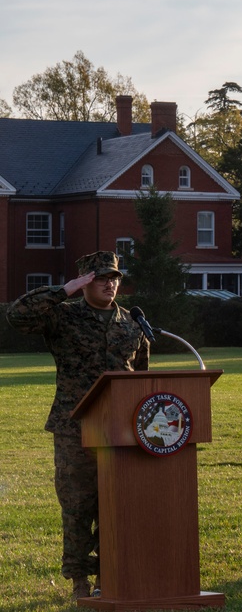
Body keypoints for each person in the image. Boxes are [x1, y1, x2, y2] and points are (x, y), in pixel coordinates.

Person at [6, 251, 150, 601]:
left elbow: (143, 377)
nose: (110, 284)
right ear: (85, 280)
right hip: (75, 427)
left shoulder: (132, 322)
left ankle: (110, 575)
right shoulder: (63, 317)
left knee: (115, 505)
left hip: (121, 429)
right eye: (101, 277)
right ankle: (79, 581)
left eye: (114, 277)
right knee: (77, 505)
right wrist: (64, 290)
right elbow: (17, 316)